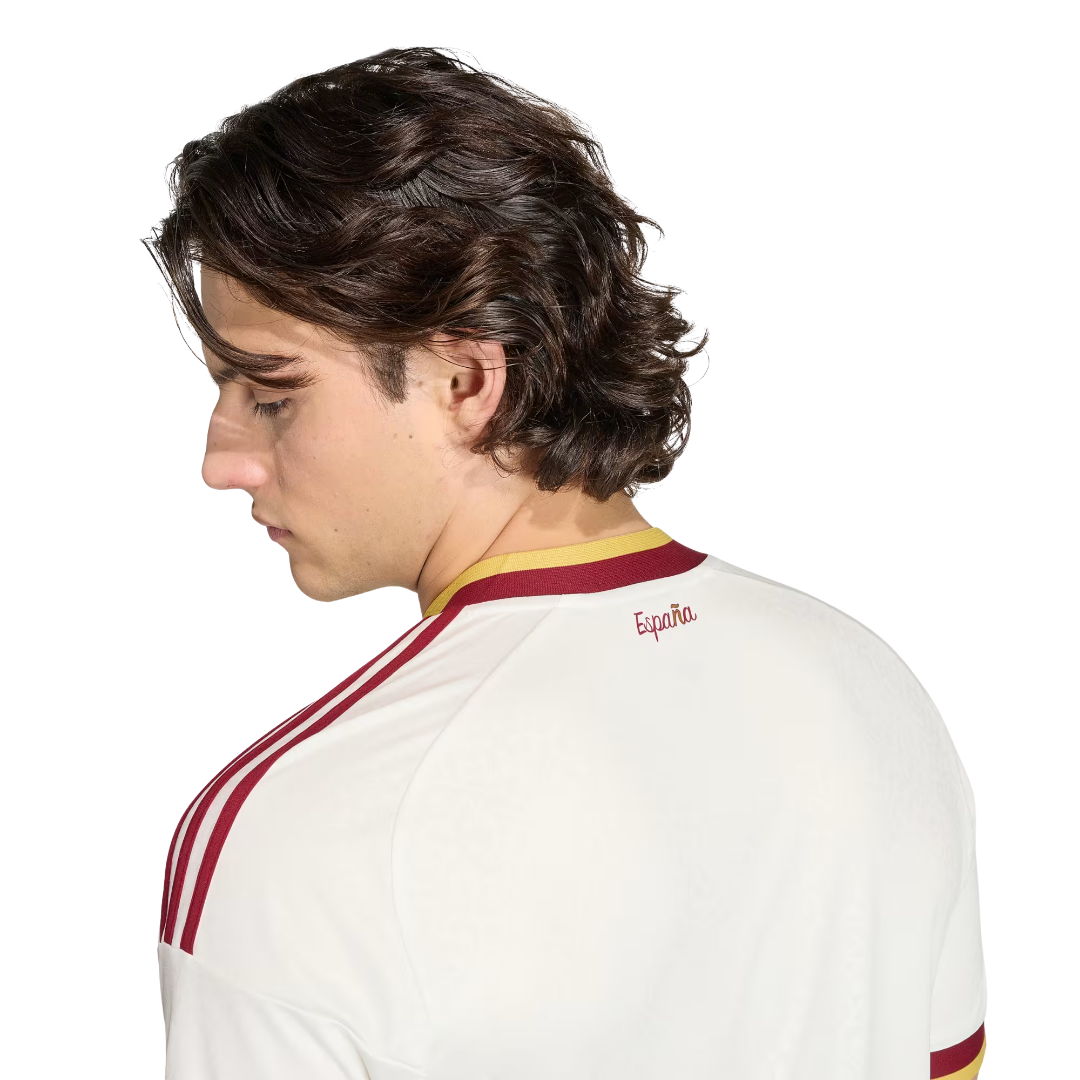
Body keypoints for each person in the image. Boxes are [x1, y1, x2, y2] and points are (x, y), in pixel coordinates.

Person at [149, 47, 986, 1080]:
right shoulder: (871, 691)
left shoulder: (295, 833)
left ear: (467, 381)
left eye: (271, 394)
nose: (222, 461)